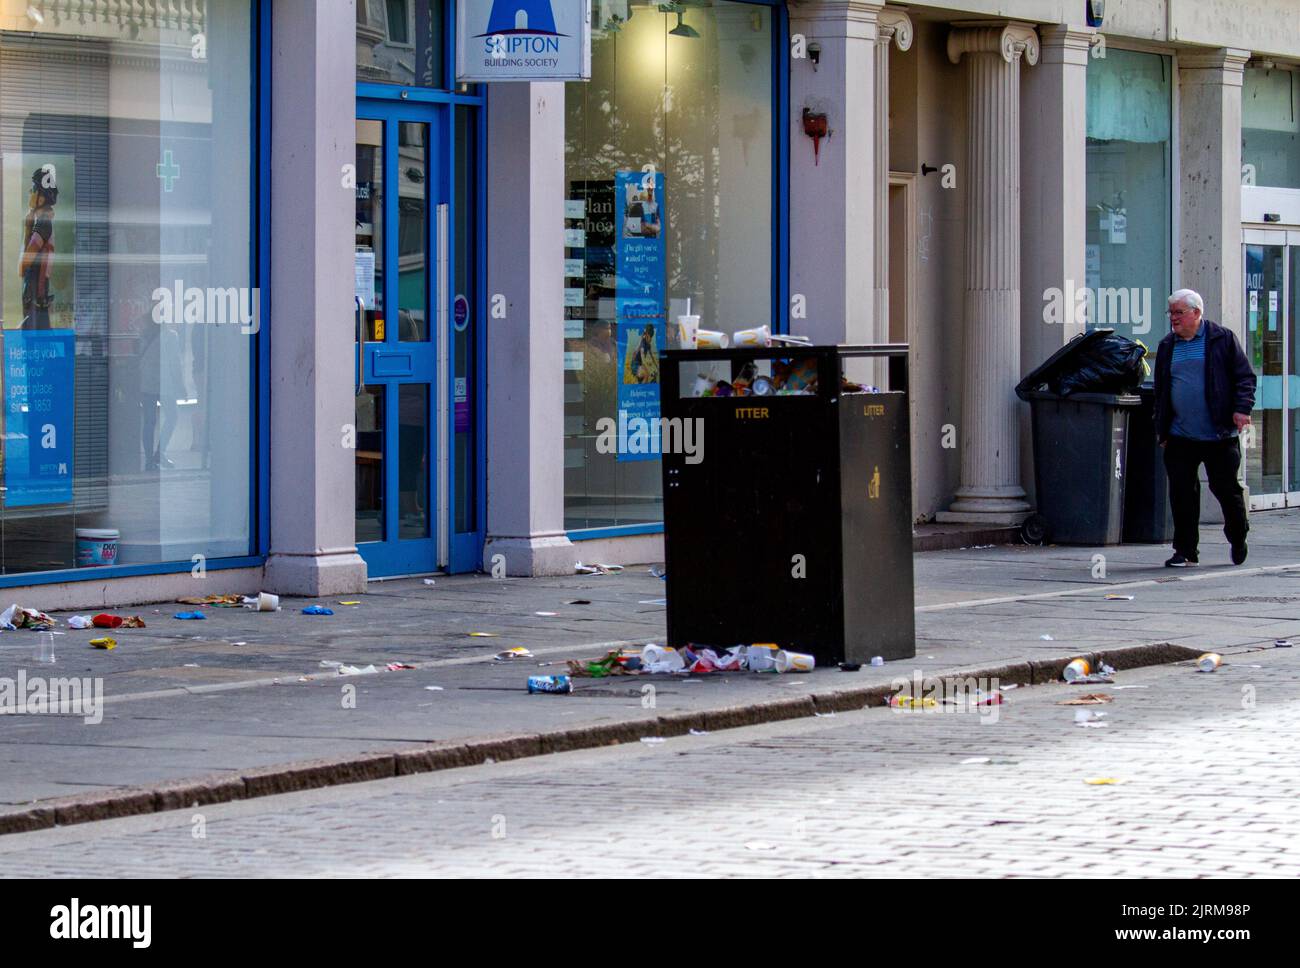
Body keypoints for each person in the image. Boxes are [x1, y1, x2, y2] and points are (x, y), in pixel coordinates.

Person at [1152, 289, 1256, 567]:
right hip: (1180, 435)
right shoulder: (1167, 346)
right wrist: (1162, 429)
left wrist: (1241, 409)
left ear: (1196, 313)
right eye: (1171, 313)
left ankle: (1237, 535)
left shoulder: (1222, 339)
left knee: (1225, 489)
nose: (1173, 318)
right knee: (1181, 493)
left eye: (1179, 313)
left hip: (1218, 434)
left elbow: (1244, 377)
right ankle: (1185, 551)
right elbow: (1161, 390)